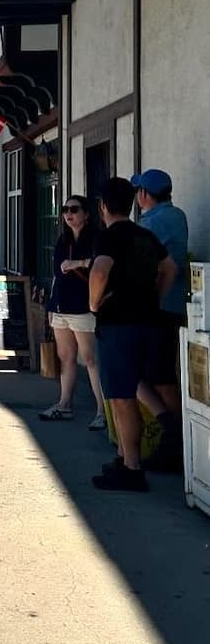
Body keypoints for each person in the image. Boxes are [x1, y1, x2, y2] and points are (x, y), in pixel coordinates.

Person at [89, 176, 174, 492]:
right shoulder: (144, 235)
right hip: (148, 320)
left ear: (103, 207)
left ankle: (131, 467)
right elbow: (169, 269)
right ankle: (125, 456)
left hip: (118, 323)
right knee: (130, 387)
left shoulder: (110, 237)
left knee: (122, 399)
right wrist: (156, 297)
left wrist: (94, 303)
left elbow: (99, 271)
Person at [132, 169, 188, 470]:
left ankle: (174, 436)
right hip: (174, 306)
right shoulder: (177, 215)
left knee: (157, 375)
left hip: (156, 309)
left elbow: (157, 267)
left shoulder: (150, 224)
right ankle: (175, 436)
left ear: (144, 194)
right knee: (160, 373)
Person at [38, 194, 105, 429]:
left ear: (87, 214)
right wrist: (50, 306)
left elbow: (102, 264)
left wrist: (80, 263)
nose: (69, 214)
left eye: (74, 209)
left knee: (89, 358)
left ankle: (102, 411)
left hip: (84, 307)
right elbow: (57, 275)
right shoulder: (62, 240)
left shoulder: (96, 238)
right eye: (65, 209)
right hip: (61, 306)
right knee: (65, 357)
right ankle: (64, 404)